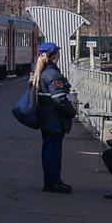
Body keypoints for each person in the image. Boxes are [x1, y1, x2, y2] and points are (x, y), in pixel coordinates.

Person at [32, 42, 75, 194]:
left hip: (47, 119)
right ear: (54, 56)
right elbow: (59, 99)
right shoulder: (52, 74)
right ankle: (53, 183)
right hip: (54, 120)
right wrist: (72, 112)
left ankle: (52, 181)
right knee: (53, 153)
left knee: (49, 151)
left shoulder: (40, 72)